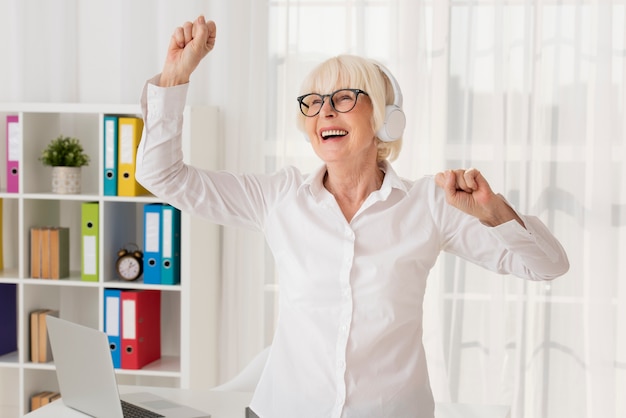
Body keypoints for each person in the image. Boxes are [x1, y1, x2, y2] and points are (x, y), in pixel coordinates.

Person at [135, 15, 569, 418]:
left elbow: (548, 266)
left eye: (344, 98)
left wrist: (494, 212)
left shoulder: (431, 205)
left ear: (384, 119)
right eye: (314, 101)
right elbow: (162, 175)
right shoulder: (278, 197)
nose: (325, 111)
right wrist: (175, 77)